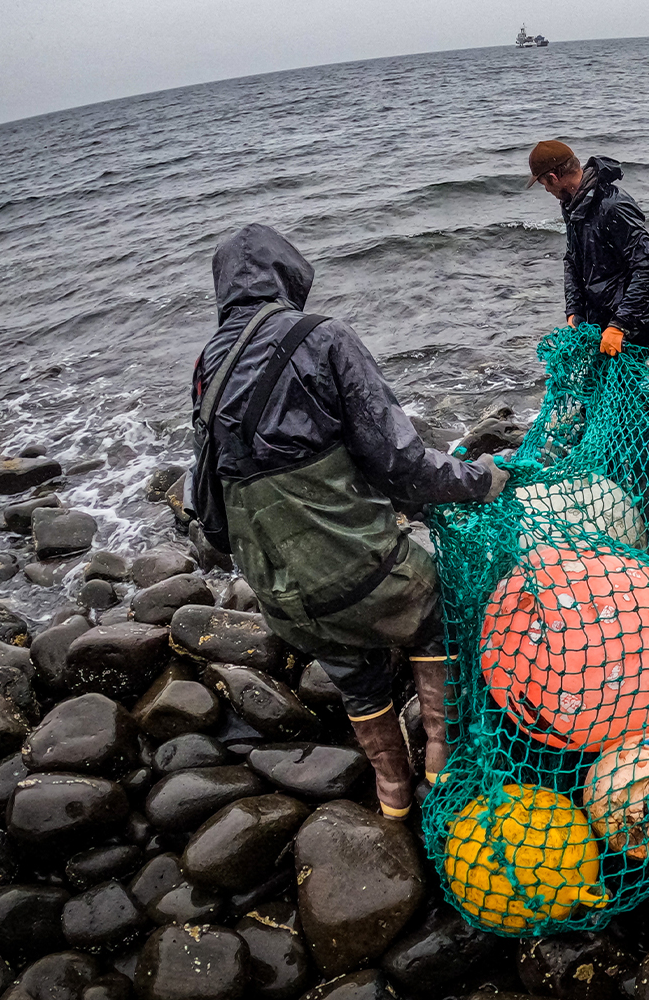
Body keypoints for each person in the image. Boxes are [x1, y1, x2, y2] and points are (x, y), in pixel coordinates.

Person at [189, 223, 509, 819]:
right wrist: (481, 479)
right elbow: (401, 463)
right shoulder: (323, 337)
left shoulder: (208, 363)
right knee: (431, 609)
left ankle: (390, 790)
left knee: (353, 670)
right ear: (289, 273)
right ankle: (439, 754)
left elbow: (204, 495)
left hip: (280, 595)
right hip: (359, 578)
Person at [528, 139, 649, 355]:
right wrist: (574, 310)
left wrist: (619, 325)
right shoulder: (573, 205)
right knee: (593, 388)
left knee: (619, 388)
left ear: (554, 177)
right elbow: (572, 260)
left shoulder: (614, 206)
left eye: (544, 184)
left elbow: (648, 269)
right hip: (599, 321)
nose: (547, 190)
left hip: (633, 325)